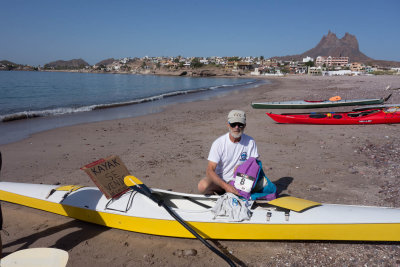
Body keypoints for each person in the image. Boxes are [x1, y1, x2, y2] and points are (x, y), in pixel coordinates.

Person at [198, 110, 259, 195]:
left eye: (240, 124)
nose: (236, 127)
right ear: (228, 124)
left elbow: (255, 166)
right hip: (220, 182)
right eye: (233, 124)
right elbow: (209, 170)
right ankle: (219, 194)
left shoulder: (251, 142)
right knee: (202, 185)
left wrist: (242, 167)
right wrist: (226, 186)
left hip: (240, 181)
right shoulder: (219, 143)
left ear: (244, 125)